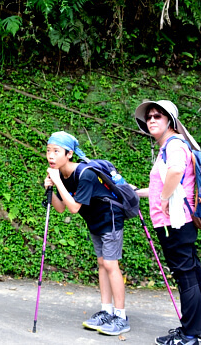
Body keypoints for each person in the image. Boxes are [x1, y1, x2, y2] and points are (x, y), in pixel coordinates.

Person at [133, 100, 201, 345]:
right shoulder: (170, 146)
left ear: (170, 121)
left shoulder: (174, 144)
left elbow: (176, 172)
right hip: (180, 220)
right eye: (149, 117)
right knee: (193, 271)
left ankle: (190, 334)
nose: (151, 120)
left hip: (174, 221)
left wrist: (164, 199)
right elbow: (164, 185)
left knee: (184, 274)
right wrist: (135, 192)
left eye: (158, 115)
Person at [43, 131, 130, 336]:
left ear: (69, 154)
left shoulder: (85, 174)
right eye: (48, 151)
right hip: (94, 221)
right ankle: (106, 311)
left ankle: (121, 316)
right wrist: (49, 188)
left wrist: (57, 182)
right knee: (102, 264)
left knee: (111, 264)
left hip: (110, 217)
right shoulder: (60, 175)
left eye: (56, 151)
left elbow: (74, 208)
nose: (51, 156)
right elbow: (60, 208)